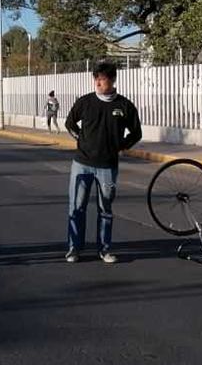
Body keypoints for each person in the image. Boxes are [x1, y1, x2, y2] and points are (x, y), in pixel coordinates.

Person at [64, 62, 141, 264]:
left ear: (112, 80)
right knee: (77, 207)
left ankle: (105, 250)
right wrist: (80, 139)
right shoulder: (85, 102)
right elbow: (69, 123)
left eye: (102, 79)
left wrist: (121, 146)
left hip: (108, 167)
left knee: (105, 209)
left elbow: (136, 133)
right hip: (82, 164)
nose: (98, 82)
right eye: (96, 78)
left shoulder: (124, 106)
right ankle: (74, 249)